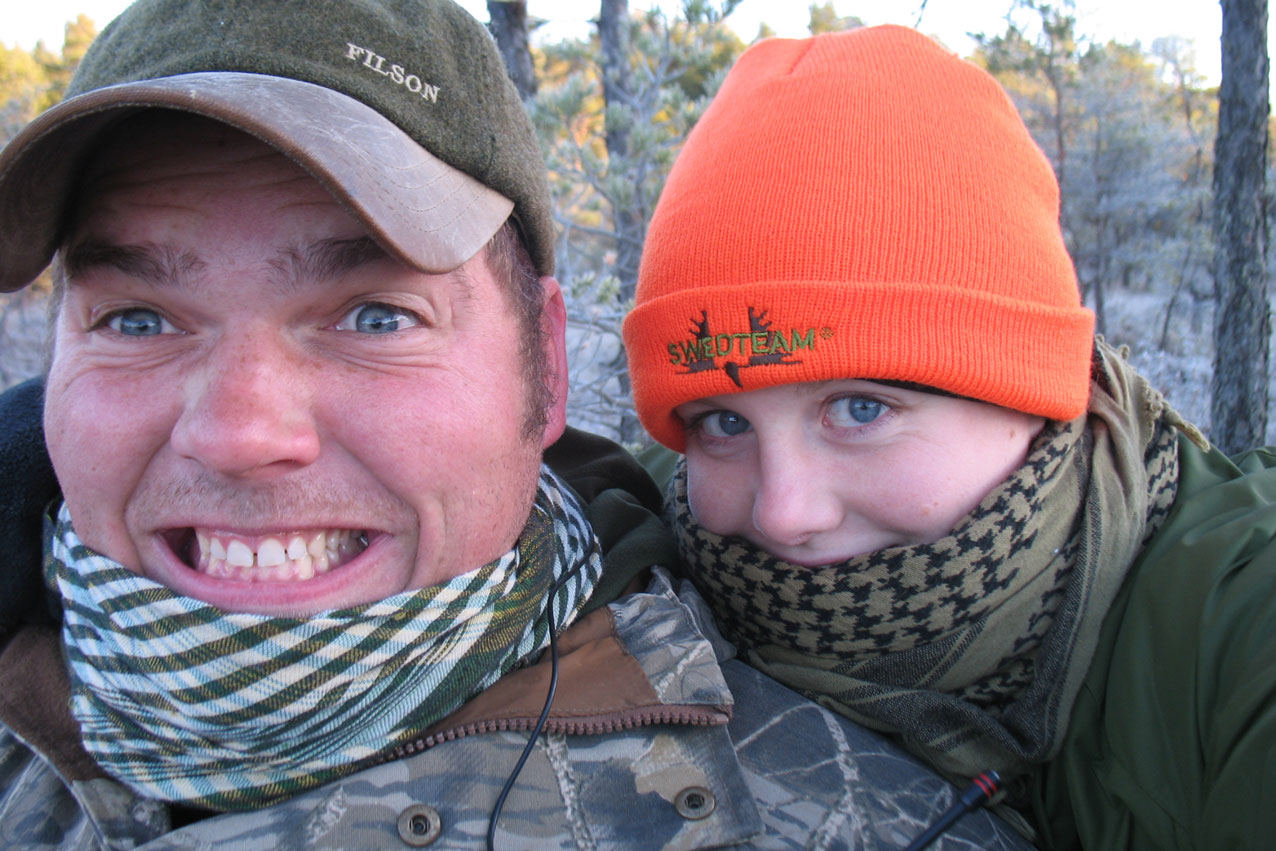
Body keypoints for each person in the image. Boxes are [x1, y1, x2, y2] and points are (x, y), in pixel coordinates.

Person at [0, 2, 1032, 848]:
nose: (237, 432)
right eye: (136, 319)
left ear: (546, 365)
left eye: (376, 316)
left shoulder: (863, 822)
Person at [623, 23, 1276, 851]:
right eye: (724, 422)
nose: (784, 513)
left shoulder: (1241, 631)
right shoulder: (647, 535)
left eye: (860, 409)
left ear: (1034, 396)